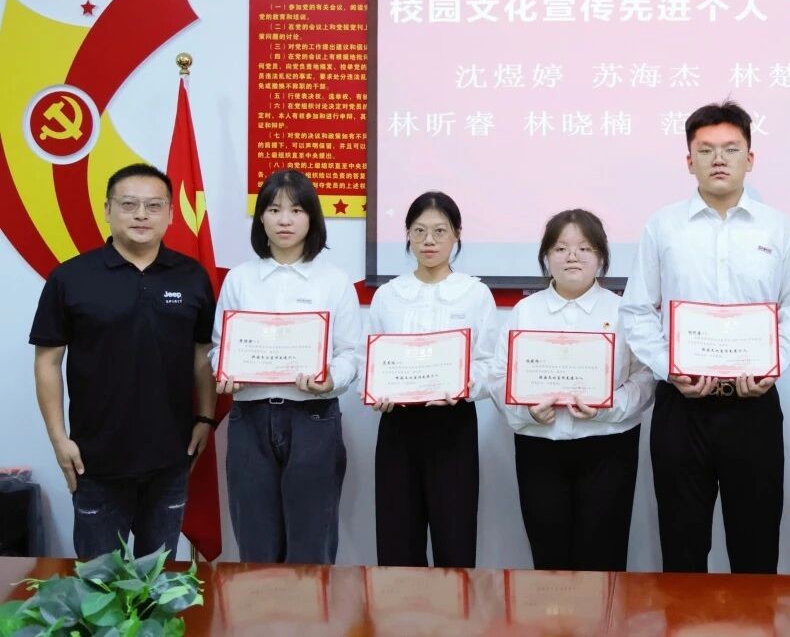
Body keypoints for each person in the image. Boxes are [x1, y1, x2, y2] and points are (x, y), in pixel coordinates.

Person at [619, 101, 790, 574]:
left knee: (756, 549)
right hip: (682, 407)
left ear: (751, 158)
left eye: (731, 148)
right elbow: (637, 310)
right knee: (682, 550)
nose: (719, 159)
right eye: (706, 150)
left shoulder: (776, 227)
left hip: (753, 406)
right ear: (690, 162)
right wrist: (671, 369)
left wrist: (772, 367)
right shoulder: (663, 226)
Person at [30, 163, 216, 559]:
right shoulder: (71, 277)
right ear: (108, 210)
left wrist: (205, 417)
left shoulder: (192, 276)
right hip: (95, 460)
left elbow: (203, 352)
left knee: (158, 580)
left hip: (171, 457)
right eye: (129, 204)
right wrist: (59, 439)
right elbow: (48, 360)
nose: (141, 215)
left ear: (170, 213)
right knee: (98, 583)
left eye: (154, 205)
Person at [210, 169, 361, 564]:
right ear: (261, 217)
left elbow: (350, 354)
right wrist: (224, 369)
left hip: (313, 418)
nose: (284, 220)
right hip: (250, 418)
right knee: (256, 546)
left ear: (312, 217)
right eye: (274, 209)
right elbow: (219, 347)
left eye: (296, 210)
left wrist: (330, 378)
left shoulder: (334, 281)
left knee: (312, 547)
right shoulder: (240, 279)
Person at [491, 209, 655, 571]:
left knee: (604, 560)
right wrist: (527, 410)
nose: (572, 257)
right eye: (561, 248)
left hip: (608, 447)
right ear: (546, 256)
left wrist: (608, 407)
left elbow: (644, 377)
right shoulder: (525, 311)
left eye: (584, 248)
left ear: (601, 256)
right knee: (549, 562)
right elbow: (498, 376)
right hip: (539, 446)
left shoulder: (624, 311)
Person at [367, 191, 497, 568]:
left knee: (454, 542)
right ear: (407, 234)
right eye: (419, 230)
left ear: (457, 234)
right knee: (398, 543)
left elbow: (490, 365)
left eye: (440, 231)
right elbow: (368, 359)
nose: (429, 240)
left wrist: (463, 386)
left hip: (452, 424)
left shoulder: (475, 294)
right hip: (398, 426)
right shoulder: (389, 295)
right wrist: (376, 392)